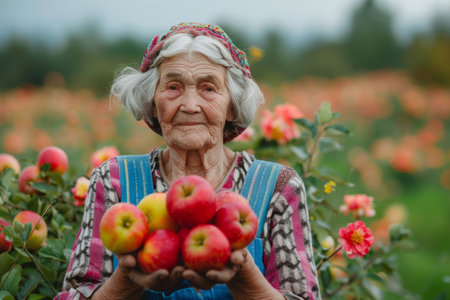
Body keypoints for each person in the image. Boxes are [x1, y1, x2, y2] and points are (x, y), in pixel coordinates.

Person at [56, 22, 321, 300]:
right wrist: (128, 279)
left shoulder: (278, 188)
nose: (190, 105)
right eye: (173, 87)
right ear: (152, 103)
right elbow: (76, 293)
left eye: (208, 88)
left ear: (232, 105)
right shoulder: (114, 180)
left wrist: (242, 273)